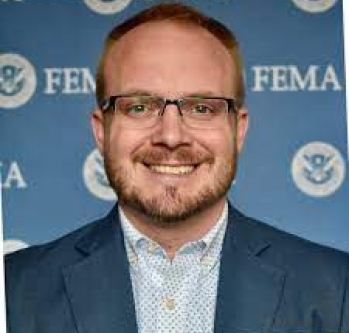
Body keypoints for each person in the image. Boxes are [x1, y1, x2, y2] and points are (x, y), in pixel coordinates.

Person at [5, 3, 349, 333]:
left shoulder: (337, 288)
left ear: (238, 129)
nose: (170, 136)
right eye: (139, 107)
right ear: (101, 130)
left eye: (201, 108)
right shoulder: (13, 290)